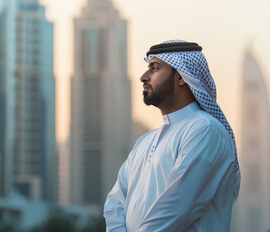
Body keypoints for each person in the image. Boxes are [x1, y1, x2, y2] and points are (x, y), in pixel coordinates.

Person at [103, 40, 241, 232]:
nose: (143, 77)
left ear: (181, 77)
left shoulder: (205, 130)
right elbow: (115, 202)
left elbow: (176, 209)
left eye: (155, 68)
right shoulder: (144, 142)